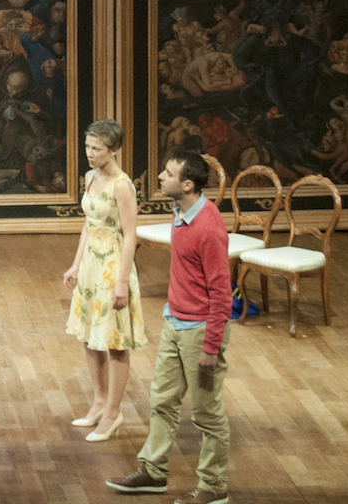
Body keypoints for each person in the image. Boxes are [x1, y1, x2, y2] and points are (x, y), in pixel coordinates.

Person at [107, 151, 231, 504]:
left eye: (168, 173)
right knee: (162, 400)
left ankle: (213, 487)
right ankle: (154, 471)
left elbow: (222, 293)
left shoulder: (208, 228)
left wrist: (210, 347)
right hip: (174, 321)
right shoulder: (179, 211)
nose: (160, 177)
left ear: (187, 184)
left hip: (199, 331)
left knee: (207, 414)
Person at [61, 119, 146, 442]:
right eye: (87, 147)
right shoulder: (90, 177)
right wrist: (75, 264)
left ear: (114, 150)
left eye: (96, 148)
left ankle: (112, 413)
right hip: (91, 267)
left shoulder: (122, 186)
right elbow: (89, 223)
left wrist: (122, 282)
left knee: (114, 340)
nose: (90, 153)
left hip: (113, 266)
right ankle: (98, 402)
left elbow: (130, 236)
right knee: (89, 336)